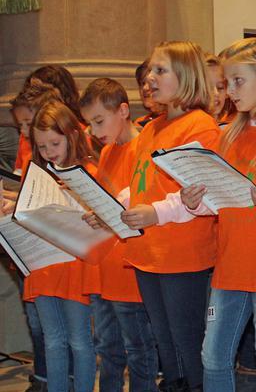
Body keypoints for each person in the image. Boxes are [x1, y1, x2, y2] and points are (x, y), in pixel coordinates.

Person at [178, 38, 256, 391]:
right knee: (213, 356)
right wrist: (194, 200)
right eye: (224, 84)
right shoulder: (227, 134)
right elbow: (219, 198)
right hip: (230, 263)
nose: (229, 92)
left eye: (237, 82)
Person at [120, 41, 220, 392]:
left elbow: (200, 194)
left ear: (187, 76)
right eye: (150, 70)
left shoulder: (201, 125)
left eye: (160, 70)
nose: (149, 77)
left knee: (187, 341)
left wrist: (154, 214)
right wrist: (111, 206)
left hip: (182, 254)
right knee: (166, 344)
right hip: (149, 251)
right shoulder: (150, 127)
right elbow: (141, 184)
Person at [79, 77, 159, 392]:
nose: (95, 131)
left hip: (131, 268)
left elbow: (142, 204)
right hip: (106, 267)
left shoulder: (144, 147)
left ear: (123, 110)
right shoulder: (108, 151)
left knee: (139, 350)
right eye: (89, 124)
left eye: (99, 121)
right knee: (108, 350)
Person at [25, 101, 99, 392]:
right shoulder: (38, 176)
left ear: (72, 136)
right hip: (42, 264)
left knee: (80, 340)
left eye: (55, 143)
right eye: (42, 147)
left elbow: (100, 217)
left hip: (74, 266)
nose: (49, 152)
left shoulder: (88, 171)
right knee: (52, 339)